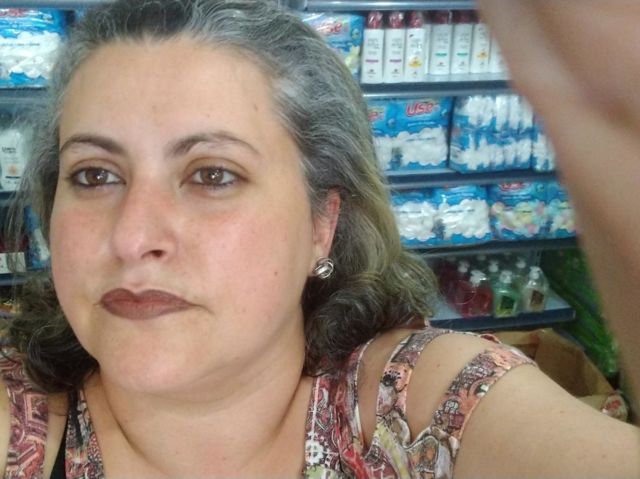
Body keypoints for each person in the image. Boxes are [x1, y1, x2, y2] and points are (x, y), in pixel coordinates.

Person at [0, 0, 637, 478]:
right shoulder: (17, 424)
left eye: (213, 175)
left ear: (322, 226)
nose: (133, 236)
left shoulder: (427, 407)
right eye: (95, 175)